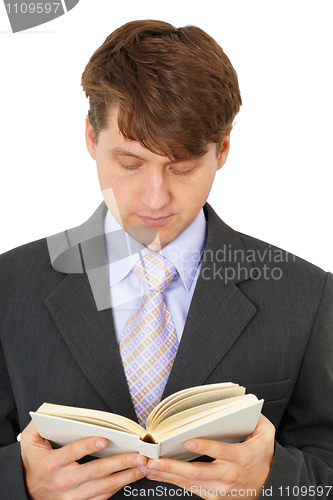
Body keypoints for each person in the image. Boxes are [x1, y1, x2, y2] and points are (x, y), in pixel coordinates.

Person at [0, 19, 332, 500]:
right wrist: (21, 483)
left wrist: (273, 481)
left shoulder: (305, 294)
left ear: (222, 151)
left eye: (182, 167)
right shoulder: (10, 286)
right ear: (91, 139)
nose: (155, 199)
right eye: (130, 163)